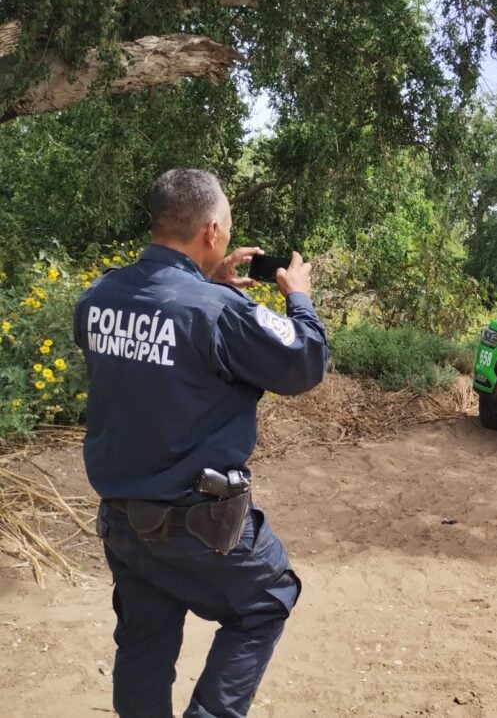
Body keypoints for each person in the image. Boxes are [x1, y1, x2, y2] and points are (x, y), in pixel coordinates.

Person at [74, 169, 330, 717]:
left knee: (145, 639)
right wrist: (300, 299)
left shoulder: (97, 296)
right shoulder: (219, 311)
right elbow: (304, 363)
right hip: (200, 525)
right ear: (212, 231)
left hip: (122, 519)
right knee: (267, 600)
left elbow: (156, 354)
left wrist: (208, 284)